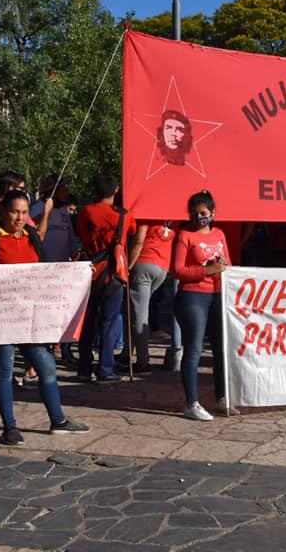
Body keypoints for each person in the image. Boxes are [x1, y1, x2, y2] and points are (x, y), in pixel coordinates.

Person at [0, 189, 89, 445]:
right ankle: (9, 427)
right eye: (14, 211)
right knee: (3, 370)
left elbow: (45, 272)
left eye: (24, 212)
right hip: (1, 318)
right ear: (3, 211)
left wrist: (79, 273)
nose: (19, 217)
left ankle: (58, 420)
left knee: (46, 366)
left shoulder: (32, 236)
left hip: (30, 318)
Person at [173, 190, 230, 421]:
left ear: (213, 213)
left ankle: (222, 397)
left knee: (220, 349)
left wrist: (222, 265)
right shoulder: (184, 235)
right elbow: (177, 270)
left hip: (217, 295)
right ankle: (192, 403)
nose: (199, 218)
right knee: (194, 349)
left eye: (204, 213)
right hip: (192, 297)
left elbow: (228, 263)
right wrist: (207, 270)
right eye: (195, 214)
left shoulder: (219, 234)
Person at [76, 175, 136, 382]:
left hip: (90, 271)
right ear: (116, 189)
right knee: (109, 322)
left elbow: (80, 235)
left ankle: (84, 367)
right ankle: (105, 368)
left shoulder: (85, 212)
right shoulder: (124, 215)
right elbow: (133, 232)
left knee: (88, 321)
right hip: (114, 274)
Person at [128, 218, 180, 373]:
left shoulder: (147, 216)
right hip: (162, 268)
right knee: (137, 311)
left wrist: (128, 267)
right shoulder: (174, 219)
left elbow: (138, 241)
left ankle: (143, 362)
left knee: (139, 315)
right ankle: (127, 354)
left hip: (144, 263)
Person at [30, 175, 77, 262]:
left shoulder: (63, 210)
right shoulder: (37, 209)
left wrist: (75, 255)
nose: (66, 192)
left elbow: (71, 238)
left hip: (63, 267)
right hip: (43, 266)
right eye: (62, 189)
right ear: (52, 191)